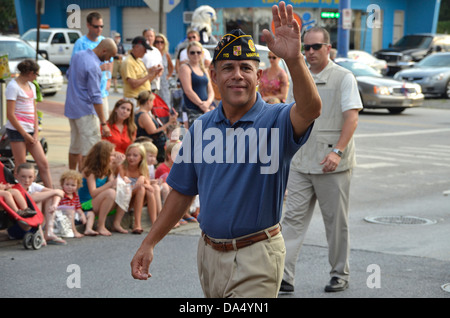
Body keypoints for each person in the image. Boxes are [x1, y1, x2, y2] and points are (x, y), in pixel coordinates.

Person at [130, 2, 322, 298]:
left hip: (257, 256)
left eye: (246, 67)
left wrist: (295, 60)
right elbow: (182, 190)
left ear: (258, 77)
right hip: (209, 255)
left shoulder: (276, 120)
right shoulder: (202, 127)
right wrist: (149, 242)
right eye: (228, 68)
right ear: (214, 76)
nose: (237, 75)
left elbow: (310, 109)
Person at [280, 26, 363, 293]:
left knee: (335, 223)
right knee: (291, 220)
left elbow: (352, 117)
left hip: (332, 163)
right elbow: (291, 115)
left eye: (317, 47)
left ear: (329, 48)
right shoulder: (299, 77)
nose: (311, 52)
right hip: (302, 162)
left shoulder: (343, 77)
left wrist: (337, 151)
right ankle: (284, 276)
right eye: (307, 47)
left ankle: (340, 273)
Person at [65, 38, 117, 171]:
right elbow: (95, 96)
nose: (107, 60)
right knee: (90, 151)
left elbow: (68, 74)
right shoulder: (94, 67)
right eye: (109, 56)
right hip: (86, 111)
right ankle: (85, 184)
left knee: (75, 146)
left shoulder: (78, 56)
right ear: (104, 50)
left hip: (72, 108)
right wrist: (103, 123)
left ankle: (71, 176)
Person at [5, 59, 53, 188]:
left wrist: (36, 132)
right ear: (30, 73)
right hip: (17, 130)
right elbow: (10, 114)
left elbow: (34, 110)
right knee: (22, 166)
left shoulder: (31, 86)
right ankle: (24, 195)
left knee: (43, 163)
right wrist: (25, 134)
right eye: (36, 74)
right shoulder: (13, 86)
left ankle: (51, 192)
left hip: (31, 129)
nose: (37, 77)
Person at [72, 11, 113, 122]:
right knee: (90, 130)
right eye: (96, 26)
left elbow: (110, 62)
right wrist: (99, 69)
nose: (99, 29)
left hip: (102, 92)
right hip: (86, 96)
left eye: (101, 26)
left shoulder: (104, 41)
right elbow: (76, 69)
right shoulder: (81, 44)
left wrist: (109, 79)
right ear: (88, 25)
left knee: (104, 125)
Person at [15, 162, 66, 245]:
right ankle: (40, 234)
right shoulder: (15, 187)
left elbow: (60, 193)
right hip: (22, 225)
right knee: (38, 195)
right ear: (16, 176)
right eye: (23, 176)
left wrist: (54, 205)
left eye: (30, 177)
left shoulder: (33, 185)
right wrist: (54, 191)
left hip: (35, 224)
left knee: (48, 196)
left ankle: (49, 232)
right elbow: (31, 199)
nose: (27, 180)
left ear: (34, 177)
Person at [114, 143, 157, 234]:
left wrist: (143, 178)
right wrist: (140, 183)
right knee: (141, 188)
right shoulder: (122, 167)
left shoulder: (143, 168)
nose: (131, 158)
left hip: (138, 198)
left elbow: (149, 187)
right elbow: (122, 187)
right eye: (128, 155)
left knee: (148, 191)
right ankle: (137, 224)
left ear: (141, 157)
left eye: (135, 155)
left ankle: (155, 223)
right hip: (125, 200)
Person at [78, 140, 118, 236]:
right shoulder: (89, 171)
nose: (113, 158)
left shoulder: (107, 169)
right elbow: (93, 192)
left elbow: (114, 186)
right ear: (103, 156)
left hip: (97, 202)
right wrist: (111, 183)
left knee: (122, 192)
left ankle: (117, 223)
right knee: (111, 193)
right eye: (111, 155)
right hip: (85, 204)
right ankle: (101, 226)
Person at [178, 41, 215, 128]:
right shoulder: (185, 68)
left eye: (198, 52)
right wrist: (202, 106)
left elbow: (210, 90)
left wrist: (208, 103)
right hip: (192, 108)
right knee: (196, 137)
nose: (195, 55)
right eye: (192, 52)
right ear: (188, 54)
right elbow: (188, 90)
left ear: (202, 54)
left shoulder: (204, 69)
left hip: (208, 107)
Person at [135, 90, 177, 163]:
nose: (153, 104)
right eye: (152, 102)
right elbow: (153, 132)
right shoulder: (143, 115)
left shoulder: (140, 113)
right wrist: (169, 123)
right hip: (154, 144)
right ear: (148, 101)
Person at [121, 36, 162, 104]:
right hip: (134, 99)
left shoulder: (139, 61)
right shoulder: (128, 62)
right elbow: (133, 84)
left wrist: (155, 73)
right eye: (145, 49)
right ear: (136, 47)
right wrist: (149, 75)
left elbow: (146, 81)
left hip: (143, 99)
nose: (146, 52)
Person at [57, 169, 93, 239]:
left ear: (77, 186)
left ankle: (88, 229)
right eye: (67, 184)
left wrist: (82, 214)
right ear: (62, 184)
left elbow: (78, 207)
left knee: (91, 213)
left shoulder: (75, 196)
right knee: (71, 211)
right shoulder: (61, 194)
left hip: (75, 216)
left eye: (73, 185)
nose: (69, 187)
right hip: (64, 217)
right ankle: (74, 231)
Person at [154, 33, 174, 107]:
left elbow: (171, 67)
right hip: (154, 81)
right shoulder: (152, 54)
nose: (159, 43)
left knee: (165, 101)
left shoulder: (166, 55)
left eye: (162, 42)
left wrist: (168, 76)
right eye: (157, 42)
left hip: (164, 82)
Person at [142, 28, 164, 94]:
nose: (149, 38)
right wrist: (151, 70)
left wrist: (160, 71)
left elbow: (161, 64)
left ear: (154, 38)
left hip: (155, 85)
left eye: (151, 36)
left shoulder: (156, 51)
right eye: (147, 36)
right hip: (145, 84)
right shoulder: (142, 50)